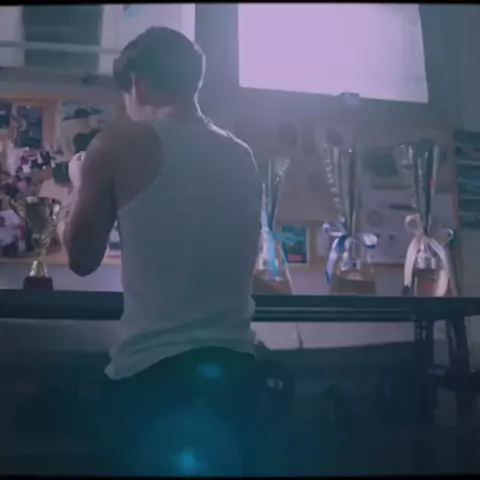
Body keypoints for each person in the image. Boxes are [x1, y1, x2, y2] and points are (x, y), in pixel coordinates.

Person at [61, 27, 263, 475]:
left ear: (138, 85)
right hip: (237, 373)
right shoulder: (242, 155)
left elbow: (81, 259)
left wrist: (77, 185)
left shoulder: (118, 142)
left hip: (154, 376)